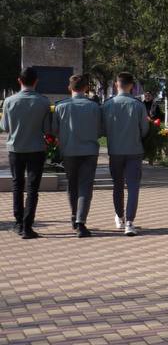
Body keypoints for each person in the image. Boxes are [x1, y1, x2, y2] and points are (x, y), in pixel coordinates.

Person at [2, 67, 53, 238]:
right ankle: (27, 225)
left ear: (19, 81)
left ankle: (18, 222)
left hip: (15, 148)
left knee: (17, 185)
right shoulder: (44, 102)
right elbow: (47, 129)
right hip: (36, 149)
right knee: (33, 188)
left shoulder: (9, 101)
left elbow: (5, 127)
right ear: (36, 81)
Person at [55, 74, 105, 237]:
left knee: (72, 185)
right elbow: (100, 130)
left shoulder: (61, 107)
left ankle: (73, 217)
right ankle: (80, 222)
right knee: (85, 187)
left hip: (69, 151)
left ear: (69, 88)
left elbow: (54, 130)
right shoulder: (95, 107)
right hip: (89, 151)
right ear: (86, 88)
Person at [102, 72, 151, 237]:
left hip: (115, 151)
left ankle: (120, 217)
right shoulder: (138, 105)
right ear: (132, 86)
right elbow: (145, 130)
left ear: (116, 84)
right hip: (134, 151)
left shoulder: (107, 105)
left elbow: (102, 129)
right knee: (133, 187)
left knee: (117, 186)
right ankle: (130, 222)